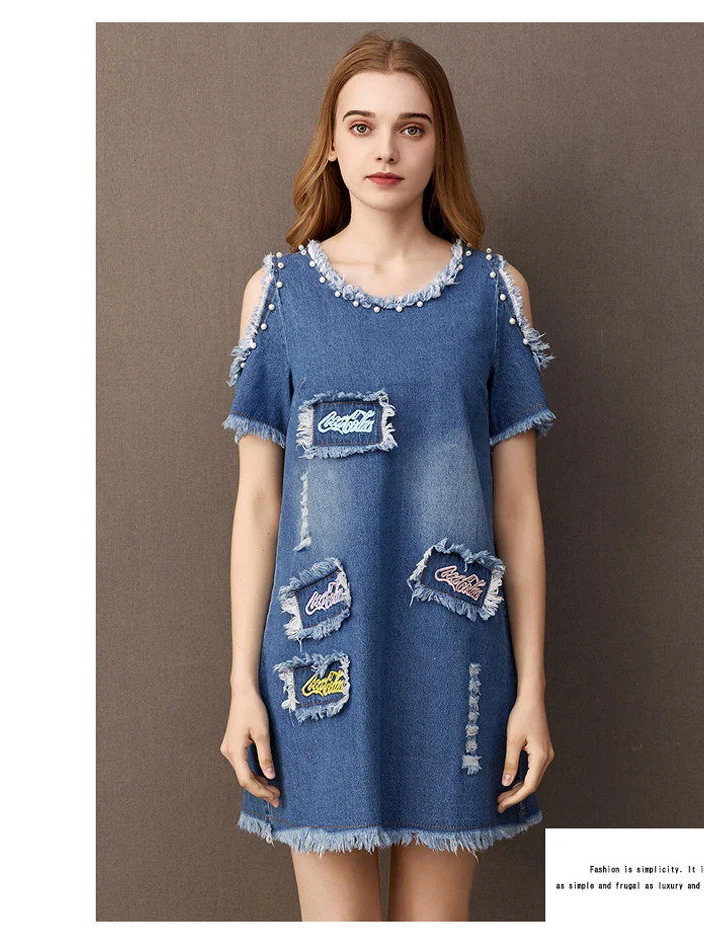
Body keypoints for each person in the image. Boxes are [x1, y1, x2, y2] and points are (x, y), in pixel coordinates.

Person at [219, 31, 556, 922]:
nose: (386, 149)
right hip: (316, 666)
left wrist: (531, 690)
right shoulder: (278, 294)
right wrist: (241, 683)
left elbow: (518, 509)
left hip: (455, 663)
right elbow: (258, 506)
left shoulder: (495, 294)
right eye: (362, 125)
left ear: (440, 144)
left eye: (412, 127)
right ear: (331, 142)